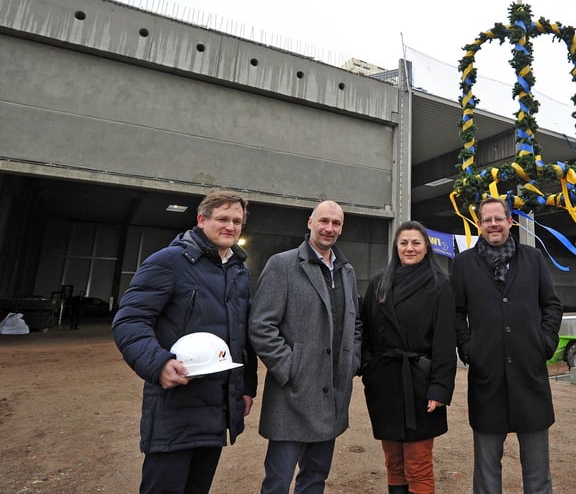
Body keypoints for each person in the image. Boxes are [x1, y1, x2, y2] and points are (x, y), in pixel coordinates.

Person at [112, 188, 257, 494]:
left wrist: (246, 388)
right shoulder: (169, 262)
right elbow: (130, 320)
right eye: (222, 219)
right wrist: (158, 362)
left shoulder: (239, 271)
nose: (230, 226)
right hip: (175, 405)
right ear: (202, 220)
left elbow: (242, 335)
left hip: (217, 407)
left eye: (237, 221)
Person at [249, 200, 362, 494]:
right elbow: (261, 325)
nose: (329, 228)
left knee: (315, 479)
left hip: (332, 395)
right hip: (293, 395)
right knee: (278, 481)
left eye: (336, 223)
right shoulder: (282, 265)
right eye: (324, 221)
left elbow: (355, 323)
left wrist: (352, 361)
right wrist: (290, 368)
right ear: (310, 222)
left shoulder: (346, 271)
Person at [451, 196, 563, 494]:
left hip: (530, 376)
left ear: (510, 221)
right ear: (478, 224)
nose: (493, 225)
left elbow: (551, 304)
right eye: (486, 220)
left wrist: (546, 342)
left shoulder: (533, 258)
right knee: (487, 473)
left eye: (498, 218)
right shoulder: (463, 264)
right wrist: (468, 347)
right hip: (487, 379)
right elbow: (456, 312)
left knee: (538, 474)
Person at [360, 221, 457, 494]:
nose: (409, 248)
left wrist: (439, 388)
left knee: (418, 464)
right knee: (393, 462)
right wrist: (369, 366)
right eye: (404, 243)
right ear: (396, 247)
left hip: (420, 383)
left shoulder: (440, 284)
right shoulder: (380, 282)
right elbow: (364, 328)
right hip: (386, 381)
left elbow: (445, 341)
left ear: (427, 247)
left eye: (416, 242)